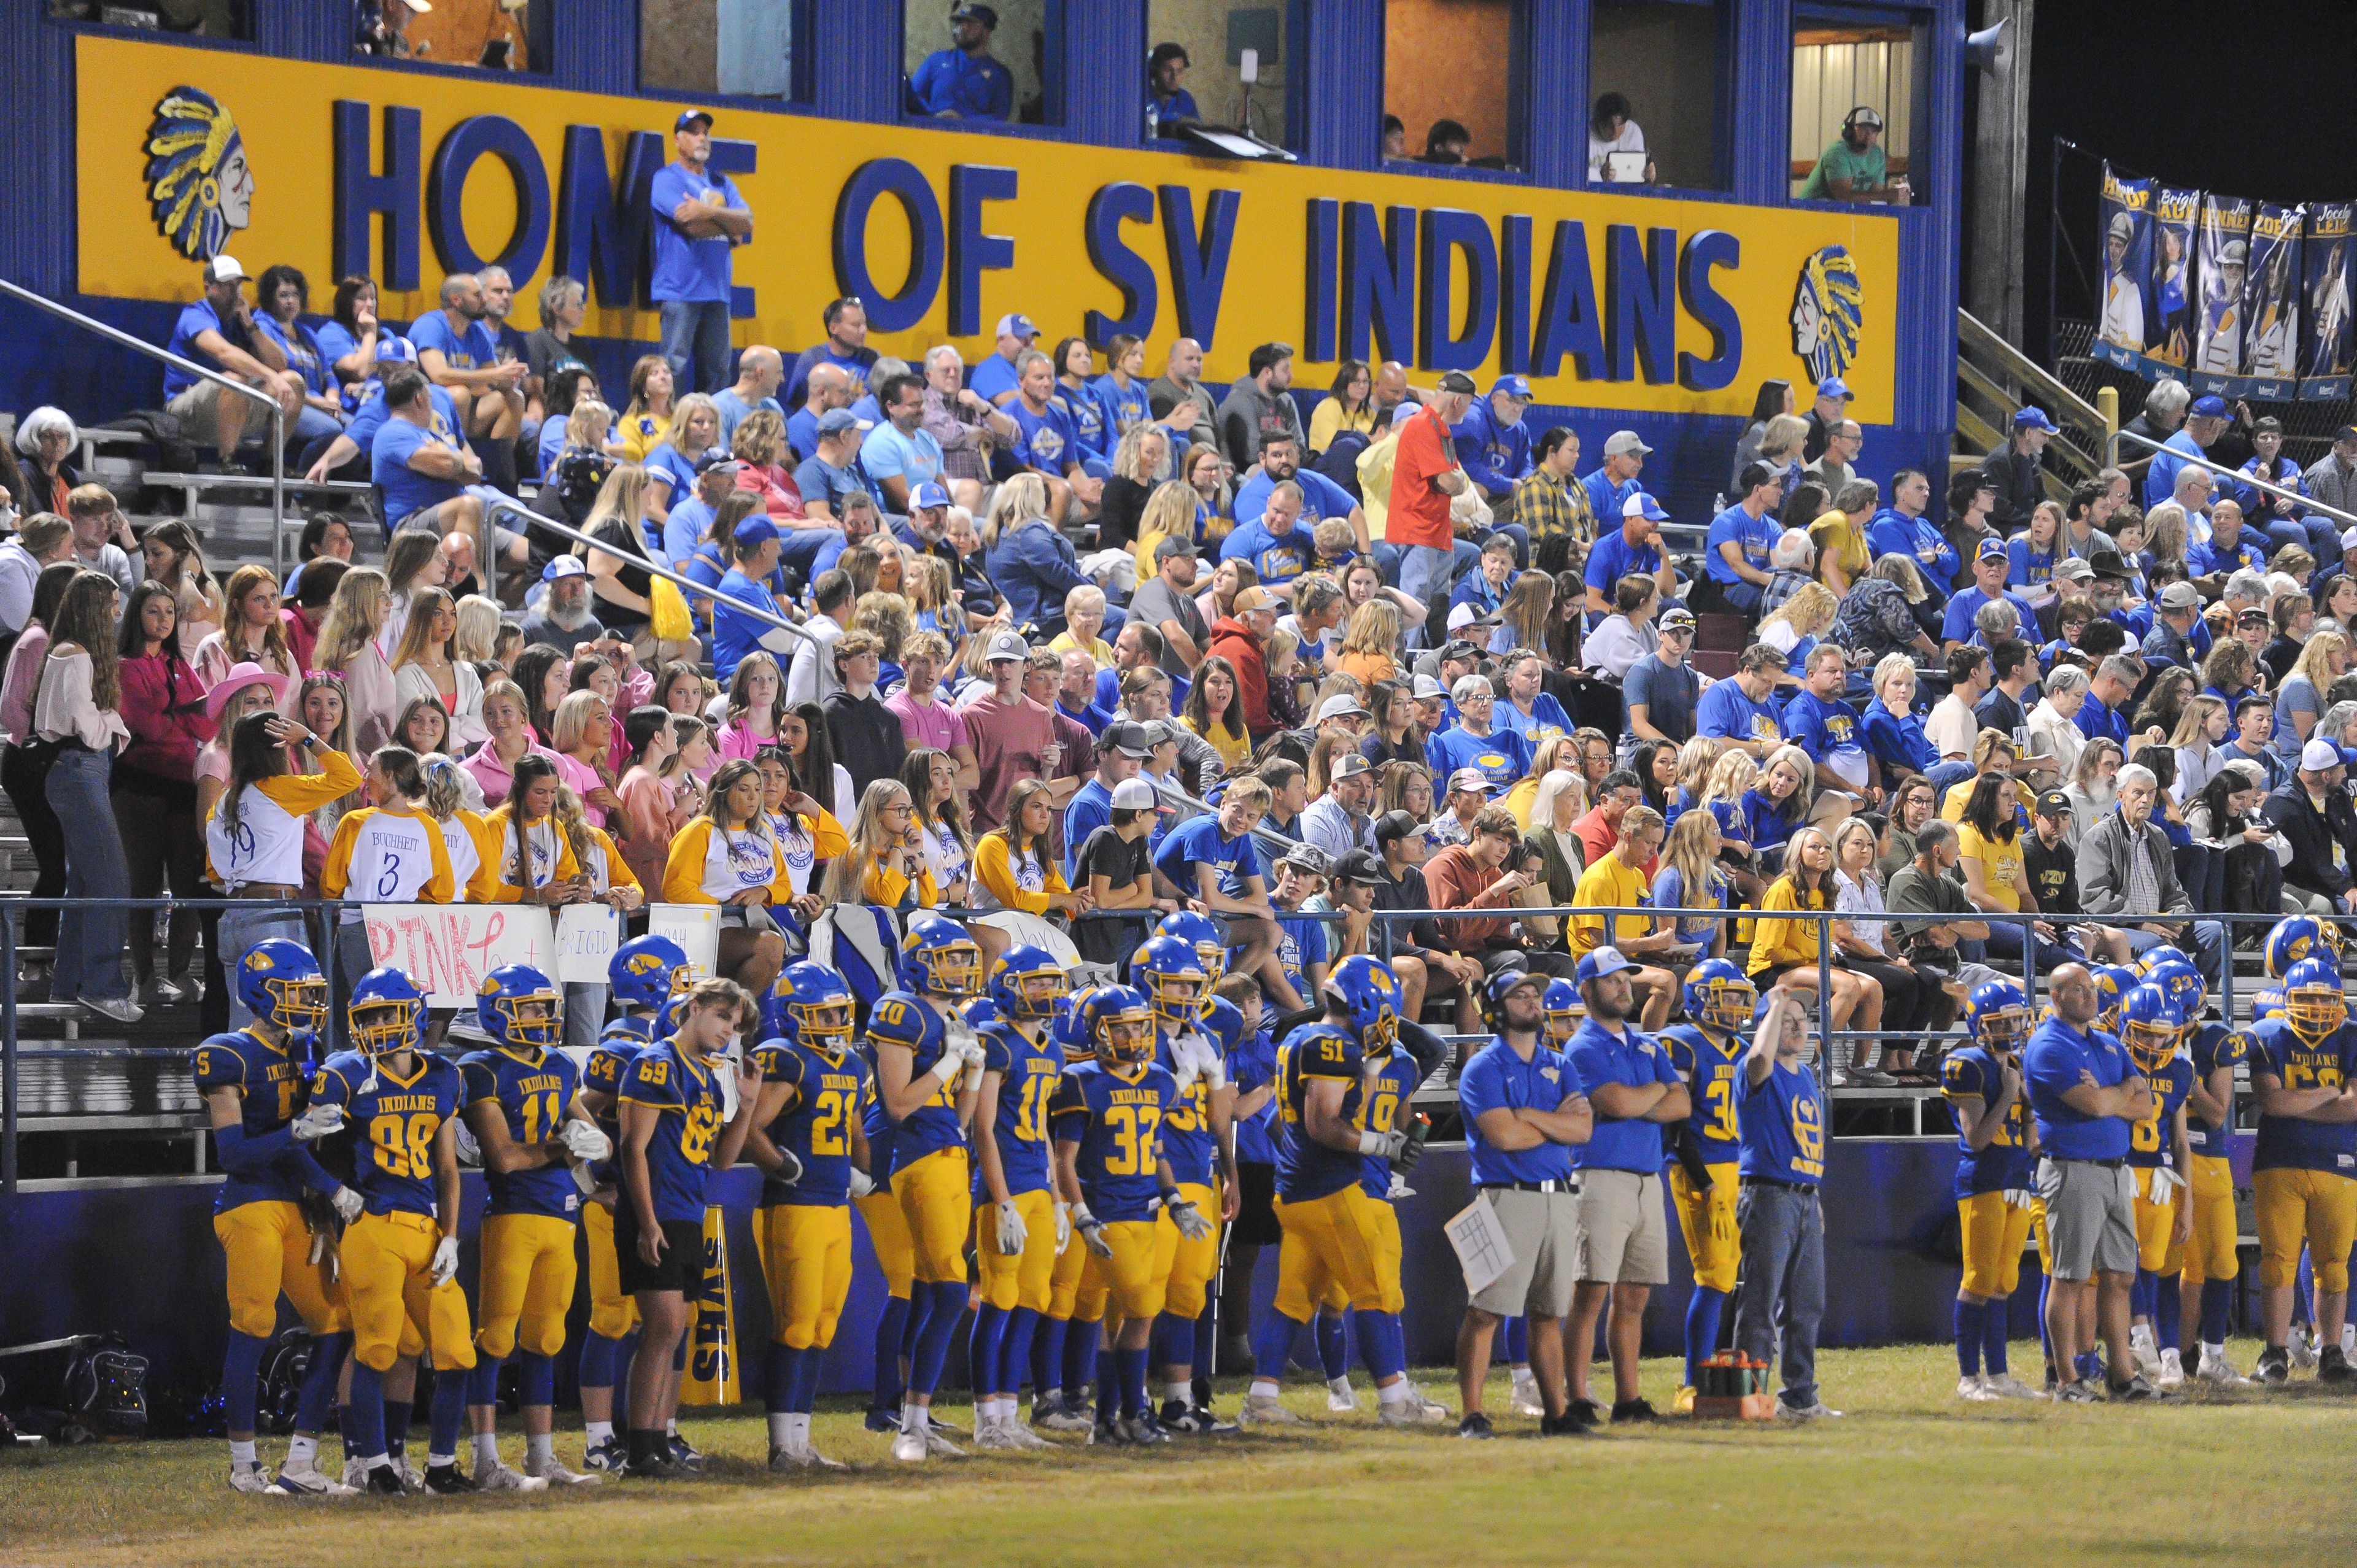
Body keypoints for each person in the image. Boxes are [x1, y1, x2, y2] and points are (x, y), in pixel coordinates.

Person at [308, 969, 482, 1493]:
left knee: (457, 1351)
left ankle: (442, 1466)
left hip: (426, 1228)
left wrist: (450, 1235)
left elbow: (449, 1168)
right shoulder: (345, 1071)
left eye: (389, 1013)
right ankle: (375, 1464)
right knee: (378, 1349)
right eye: (370, 1017)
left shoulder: (443, 1075)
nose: (381, 1025)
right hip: (371, 1225)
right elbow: (313, 1147)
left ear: (416, 1014)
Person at [455, 965, 605, 1488]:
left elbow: (588, 1129)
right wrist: (566, 1146)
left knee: (546, 1338)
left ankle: (541, 1457)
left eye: (545, 1005)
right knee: (496, 1337)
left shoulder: (560, 1064)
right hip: (514, 1215)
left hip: (562, 1216)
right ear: (501, 1012)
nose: (544, 1015)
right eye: (533, 1007)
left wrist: (594, 1143)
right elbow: (505, 1157)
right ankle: (485, 1459)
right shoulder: (481, 1068)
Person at [613, 978, 764, 1474]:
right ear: (694, 1007)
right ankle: (639, 1448)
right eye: (723, 1017)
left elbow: (721, 1160)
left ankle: (654, 1441)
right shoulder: (658, 1061)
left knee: (672, 1331)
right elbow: (633, 1147)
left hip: (686, 1210)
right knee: (663, 1327)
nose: (728, 1031)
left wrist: (745, 1106)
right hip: (655, 1210)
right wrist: (647, 1220)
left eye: (735, 1024)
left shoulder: (703, 1072)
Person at [1453, 968, 1594, 1439]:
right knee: (1486, 1310)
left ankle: (1557, 1414)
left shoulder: (1560, 1062)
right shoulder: (1483, 1067)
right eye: (1521, 995)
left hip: (1558, 1197)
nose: (1534, 1001)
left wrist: (1532, 1116)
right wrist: (1555, 1123)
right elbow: (1503, 1136)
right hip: (1504, 1196)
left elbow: (1583, 1130)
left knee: (1550, 1313)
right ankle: (1472, 1413)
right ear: (1496, 1008)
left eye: (1536, 993)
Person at [746, 961, 873, 1470]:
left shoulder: (852, 1066)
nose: (837, 1022)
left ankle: (801, 1440)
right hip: (794, 1206)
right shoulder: (788, 1059)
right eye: (825, 1013)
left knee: (822, 1325)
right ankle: (782, 1445)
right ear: (795, 1016)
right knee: (796, 1325)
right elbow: (753, 1128)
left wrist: (864, 1172)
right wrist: (782, 1164)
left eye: (840, 1012)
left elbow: (858, 1132)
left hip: (836, 1206)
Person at [1562, 946, 1688, 1426]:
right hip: (1599, 1175)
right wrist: (1652, 1095)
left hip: (1644, 1177)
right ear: (1588, 989)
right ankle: (1577, 1394)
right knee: (1590, 1291)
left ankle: (1627, 1398)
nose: (1622, 987)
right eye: (1611, 980)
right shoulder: (1584, 1046)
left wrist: (1642, 1101)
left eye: (1625, 979)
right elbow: (1614, 1101)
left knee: (1634, 1296)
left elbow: (1682, 1105)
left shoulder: (1646, 1044)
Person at [2023, 962, 2159, 1400]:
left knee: (2120, 1276)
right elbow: (2096, 1104)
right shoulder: (2047, 1046)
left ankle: (2121, 1375)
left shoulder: (2107, 1043)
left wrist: (2112, 1096)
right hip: (2072, 1169)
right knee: (2070, 1278)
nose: (2089, 995)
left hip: (2116, 1168)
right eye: (2077, 989)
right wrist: (2120, 1094)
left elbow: (2147, 1105)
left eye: (2090, 987)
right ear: (2057, 997)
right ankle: (2066, 1379)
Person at [2242, 956, 2357, 1385]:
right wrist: (2329, 1092)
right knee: (2277, 1262)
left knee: (2334, 1265)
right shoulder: (2268, 1034)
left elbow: (2354, 1107)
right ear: (2286, 999)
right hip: (2279, 1161)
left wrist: (2300, 1100)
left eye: (2323, 998)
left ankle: (2331, 1351)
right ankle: (2275, 1353)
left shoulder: (2352, 1036)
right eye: (2305, 997)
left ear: (2339, 1000)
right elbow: (2272, 1103)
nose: (2314, 1006)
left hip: (2339, 1164)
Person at [1732, 988, 1836, 1419]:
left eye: (1801, 1017)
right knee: (1759, 1302)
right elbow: (1759, 1059)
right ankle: (1748, 1398)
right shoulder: (1757, 1067)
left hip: (1803, 1196)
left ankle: (1799, 1396)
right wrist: (1775, 1005)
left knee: (1806, 1304)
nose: (1797, 1025)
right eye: (1785, 1018)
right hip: (1768, 1193)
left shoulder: (1807, 1075)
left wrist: (1815, 1194)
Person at [1658, 961, 1752, 1409]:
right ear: (1699, 998)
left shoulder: (1743, 1048)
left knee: (1737, 1277)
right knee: (1714, 1277)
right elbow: (1673, 1127)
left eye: (1738, 996)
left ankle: (1733, 1377)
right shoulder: (1681, 1044)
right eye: (1726, 996)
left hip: (1743, 1167)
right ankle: (1692, 1383)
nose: (1735, 1005)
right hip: (1701, 1170)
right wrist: (1703, 1181)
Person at [2080, 762, 2228, 984]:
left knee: (2218, 932)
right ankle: (2165, 996)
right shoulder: (2099, 837)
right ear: (2120, 796)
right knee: (2155, 944)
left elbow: (2173, 890)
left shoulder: (2158, 836)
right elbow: (2094, 897)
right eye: (2138, 793)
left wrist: (2178, 916)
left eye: (2151, 794)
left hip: (2160, 923)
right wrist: (2142, 922)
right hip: (2121, 926)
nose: (2146, 800)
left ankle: (2199, 996)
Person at [160, 255, 303, 467]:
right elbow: (223, 353)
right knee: (234, 380)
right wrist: (270, 376)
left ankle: (271, 464)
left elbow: (279, 361)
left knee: (293, 381)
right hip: (185, 409)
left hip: (233, 408)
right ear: (209, 287)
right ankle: (227, 462)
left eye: (238, 286)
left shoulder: (240, 320)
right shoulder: (195, 314)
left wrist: (249, 323)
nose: (235, 293)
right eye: (227, 286)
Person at [649, 109, 753, 394]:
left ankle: (711, 434)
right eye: (694, 132)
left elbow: (748, 222)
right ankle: (671, 430)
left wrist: (706, 210)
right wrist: (727, 226)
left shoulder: (722, 183)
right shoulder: (666, 179)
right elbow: (690, 226)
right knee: (674, 369)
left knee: (719, 371)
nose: (702, 137)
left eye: (705, 132)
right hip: (680, 290)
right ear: (678, 140)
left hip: (717, 292)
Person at [1390, 371, 1479, 609]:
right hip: (1417, 531)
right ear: (1458, 401)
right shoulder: (1422, 426)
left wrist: (1455, 481)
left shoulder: (1441, 429)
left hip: (1437, 532)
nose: (1468, 411)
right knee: (1414, 605)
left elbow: (1451, 481)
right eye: (1469, 404)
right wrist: (1457, 481)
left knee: (1437, 606)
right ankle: (1407, 650)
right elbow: (1450, 483)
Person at [911, 3, 1012, 119]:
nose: (963, 28)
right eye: (960, 23)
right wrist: (935, 115)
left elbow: (999, 117)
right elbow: (912, 98)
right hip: (931, 134)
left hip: (972, 136)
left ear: (986, 31)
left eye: (970, 23)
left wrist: (963, 121)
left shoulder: (999, 74)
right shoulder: (936, 61)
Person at [1797, 104, 1906, 203]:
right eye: (1863, 130)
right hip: (1810, 212)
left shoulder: (1877, 156)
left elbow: (1875, 198)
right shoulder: (1837, 153)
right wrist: (1886, 195)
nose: (1868, 137)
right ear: (1849, 131)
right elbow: (1844, 197)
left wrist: (1892, 197)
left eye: (1873, 131)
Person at [1587, 91, 1648, 180]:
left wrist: (1647, 176)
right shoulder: (1583, 134)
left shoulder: (1633, 132)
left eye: (1620, 125)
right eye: (1609, 125)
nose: (1615, 131)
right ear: (1598, 122)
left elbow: (1637, 175)